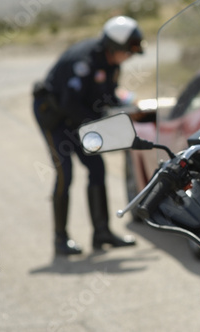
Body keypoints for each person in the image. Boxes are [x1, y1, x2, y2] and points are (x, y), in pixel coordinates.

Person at [33, 16, 143, 255]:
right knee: (65, 173)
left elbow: (106, 96)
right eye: (129, 51)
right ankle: (60, 239)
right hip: (55, 118)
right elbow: (69, 103)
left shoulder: (112, 64)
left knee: (97, 167)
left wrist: (129, 108)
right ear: (116, 47)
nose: (131, 57)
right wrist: (101, 123)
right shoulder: (83, 62)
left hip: (79, 119)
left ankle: (101, 233)